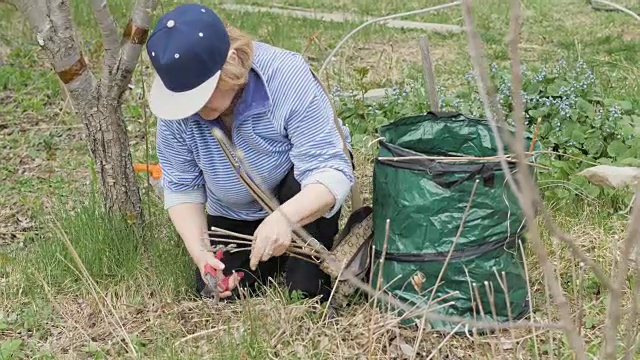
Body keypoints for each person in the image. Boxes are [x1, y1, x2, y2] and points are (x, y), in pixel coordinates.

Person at [145, 4, 355, 303]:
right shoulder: (178, 104)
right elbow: (182, 187)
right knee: (222, 289)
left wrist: (283, 218)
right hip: (236, 208)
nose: (197, 112)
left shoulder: (286, 75)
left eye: (203, 96)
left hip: (296, 191)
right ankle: (269, 248)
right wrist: (201, 254)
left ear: (232, 61)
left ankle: (300, 248)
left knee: (304, 291)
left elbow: (330, 170)